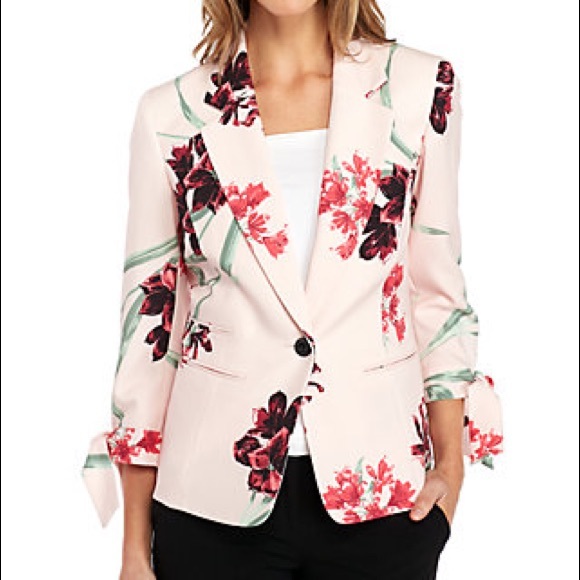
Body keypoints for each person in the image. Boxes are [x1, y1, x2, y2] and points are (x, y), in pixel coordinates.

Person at [81, 1, 504, 578]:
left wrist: (450, 470)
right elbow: (151, 326)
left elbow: (437, 292)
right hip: (210, 505)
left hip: (382, 498)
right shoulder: (171, 113)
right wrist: (134, 548)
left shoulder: (417, 86)